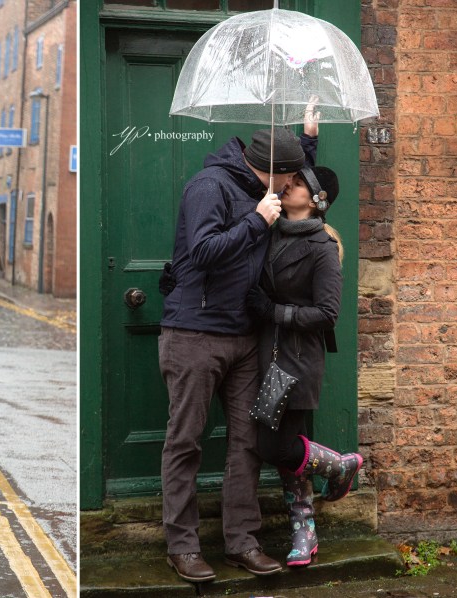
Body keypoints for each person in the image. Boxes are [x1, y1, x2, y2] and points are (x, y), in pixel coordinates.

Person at [158, 125, 318, 582]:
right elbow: (203, 251)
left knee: (247, 443)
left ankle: (242, 541)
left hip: (245, 337)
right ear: (271, 171)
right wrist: (257, 221)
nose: (292, 186)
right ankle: (183, 546)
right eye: (289, 178)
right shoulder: (208, 187)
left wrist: (307, 141)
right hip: (194, 333)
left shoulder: (265, 184)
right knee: (185, 441)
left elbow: (296, 171)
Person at [246, 165, 363, 567]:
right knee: (283, 448)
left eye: (298, 183)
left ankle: (340, 466)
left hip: (296, 358)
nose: (289, 184)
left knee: (277, 446)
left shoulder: (322, 247)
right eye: (291, 179)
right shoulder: (272, 230)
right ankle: (304, 529)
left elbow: (327, 313)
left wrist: (275, 312)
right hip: (267, 352)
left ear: (316, 202)